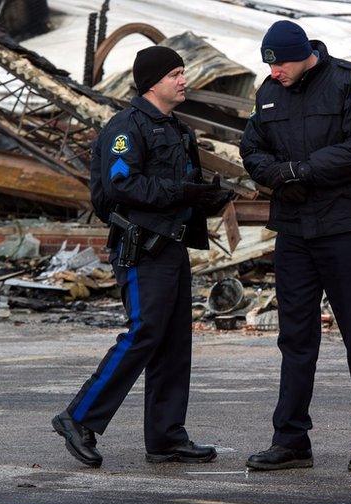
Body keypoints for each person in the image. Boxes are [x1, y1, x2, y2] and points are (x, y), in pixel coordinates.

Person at [53, 46, 232, 468]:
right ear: (152, 82)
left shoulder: (177, 129)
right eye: (175, 73)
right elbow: (120, 186)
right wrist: (182, 193)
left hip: (171, 246)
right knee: (144, 332)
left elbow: (178, 187)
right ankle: (78, 418)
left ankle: (167, 437)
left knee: (173, 340)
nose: (184, 80)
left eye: (183, 72)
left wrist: (206, 197)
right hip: (141, 249)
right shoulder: (127, 127)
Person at [240, 21, 351, 472]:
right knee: (294, 337)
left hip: (346, 226)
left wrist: (303, 170)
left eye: (281, 63)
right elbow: (251, 149)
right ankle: (290, 440)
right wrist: (275, 173)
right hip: (294, 231)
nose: (275, 73)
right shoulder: (268, 93)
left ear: (303, 52)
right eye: (268, 65)